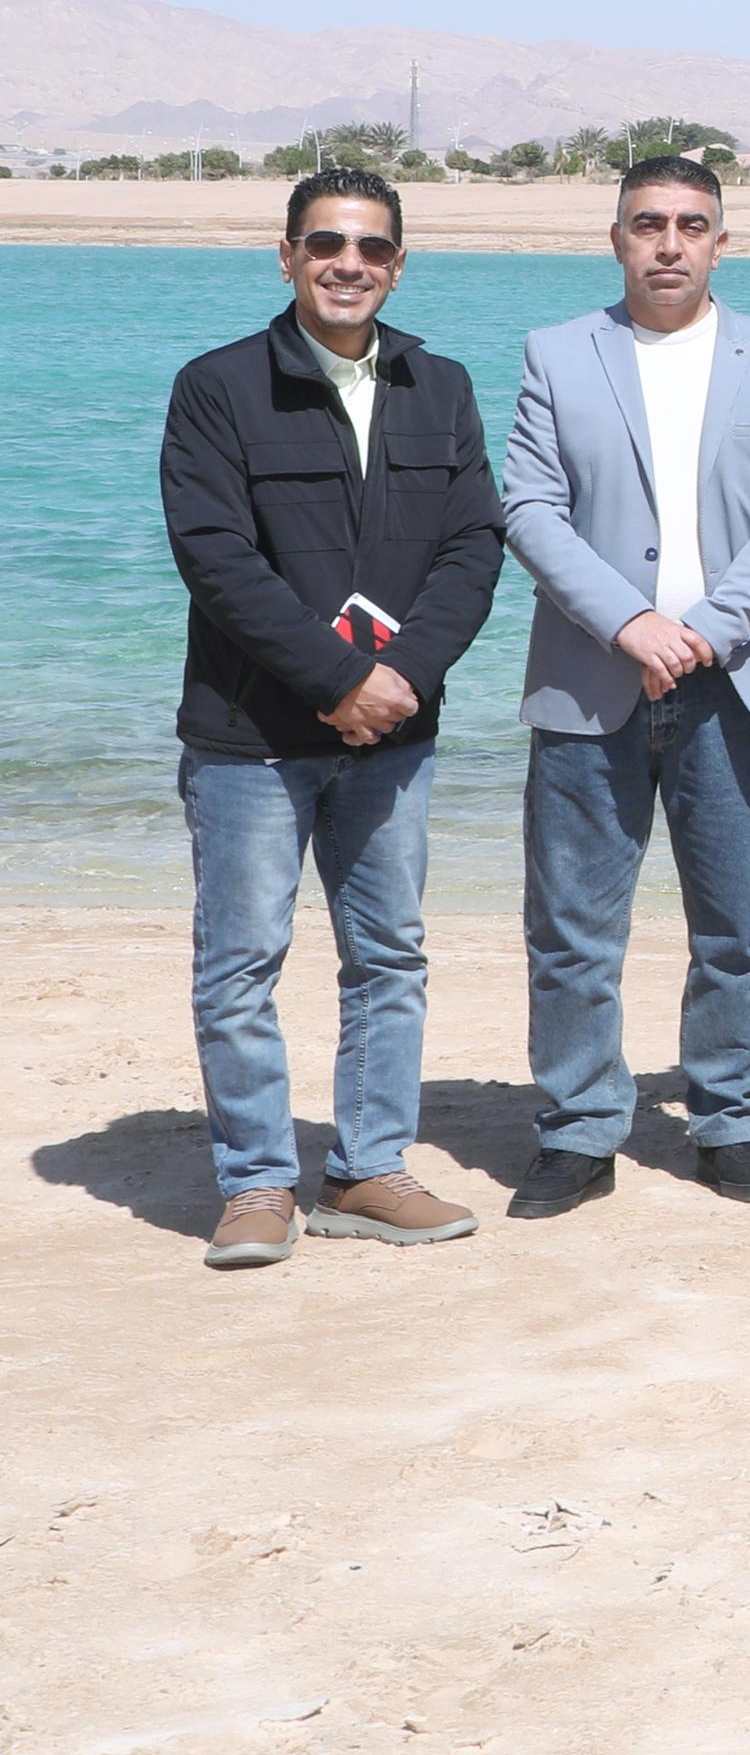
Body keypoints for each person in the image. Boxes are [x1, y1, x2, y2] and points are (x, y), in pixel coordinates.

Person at [159, 167, 507, 1267]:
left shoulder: (440, 385)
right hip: (251, 739)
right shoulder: (217, 386)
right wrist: (336, 679)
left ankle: (366, 1169)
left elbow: (473, 546)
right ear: (287, 256)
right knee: (241, 963)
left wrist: (401, 679)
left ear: (398, 264)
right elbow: (216, 557)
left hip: (394, 736)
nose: (348, 264)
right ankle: (257, 1182)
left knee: (389, 955)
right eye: (325, 244)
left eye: (371, 247)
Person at [494, 153, 750, 1217]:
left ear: (721, 242)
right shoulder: (559, 354)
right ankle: (579, 1130)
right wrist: (629, 623)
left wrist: (705, 632)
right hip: (591, 678)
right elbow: (529, 509)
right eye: (649, 223)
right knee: (573, 930)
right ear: (617, 239)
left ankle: (730, 1120)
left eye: (692, 224)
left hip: (736, 682)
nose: (670, 243)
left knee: (735, 926)